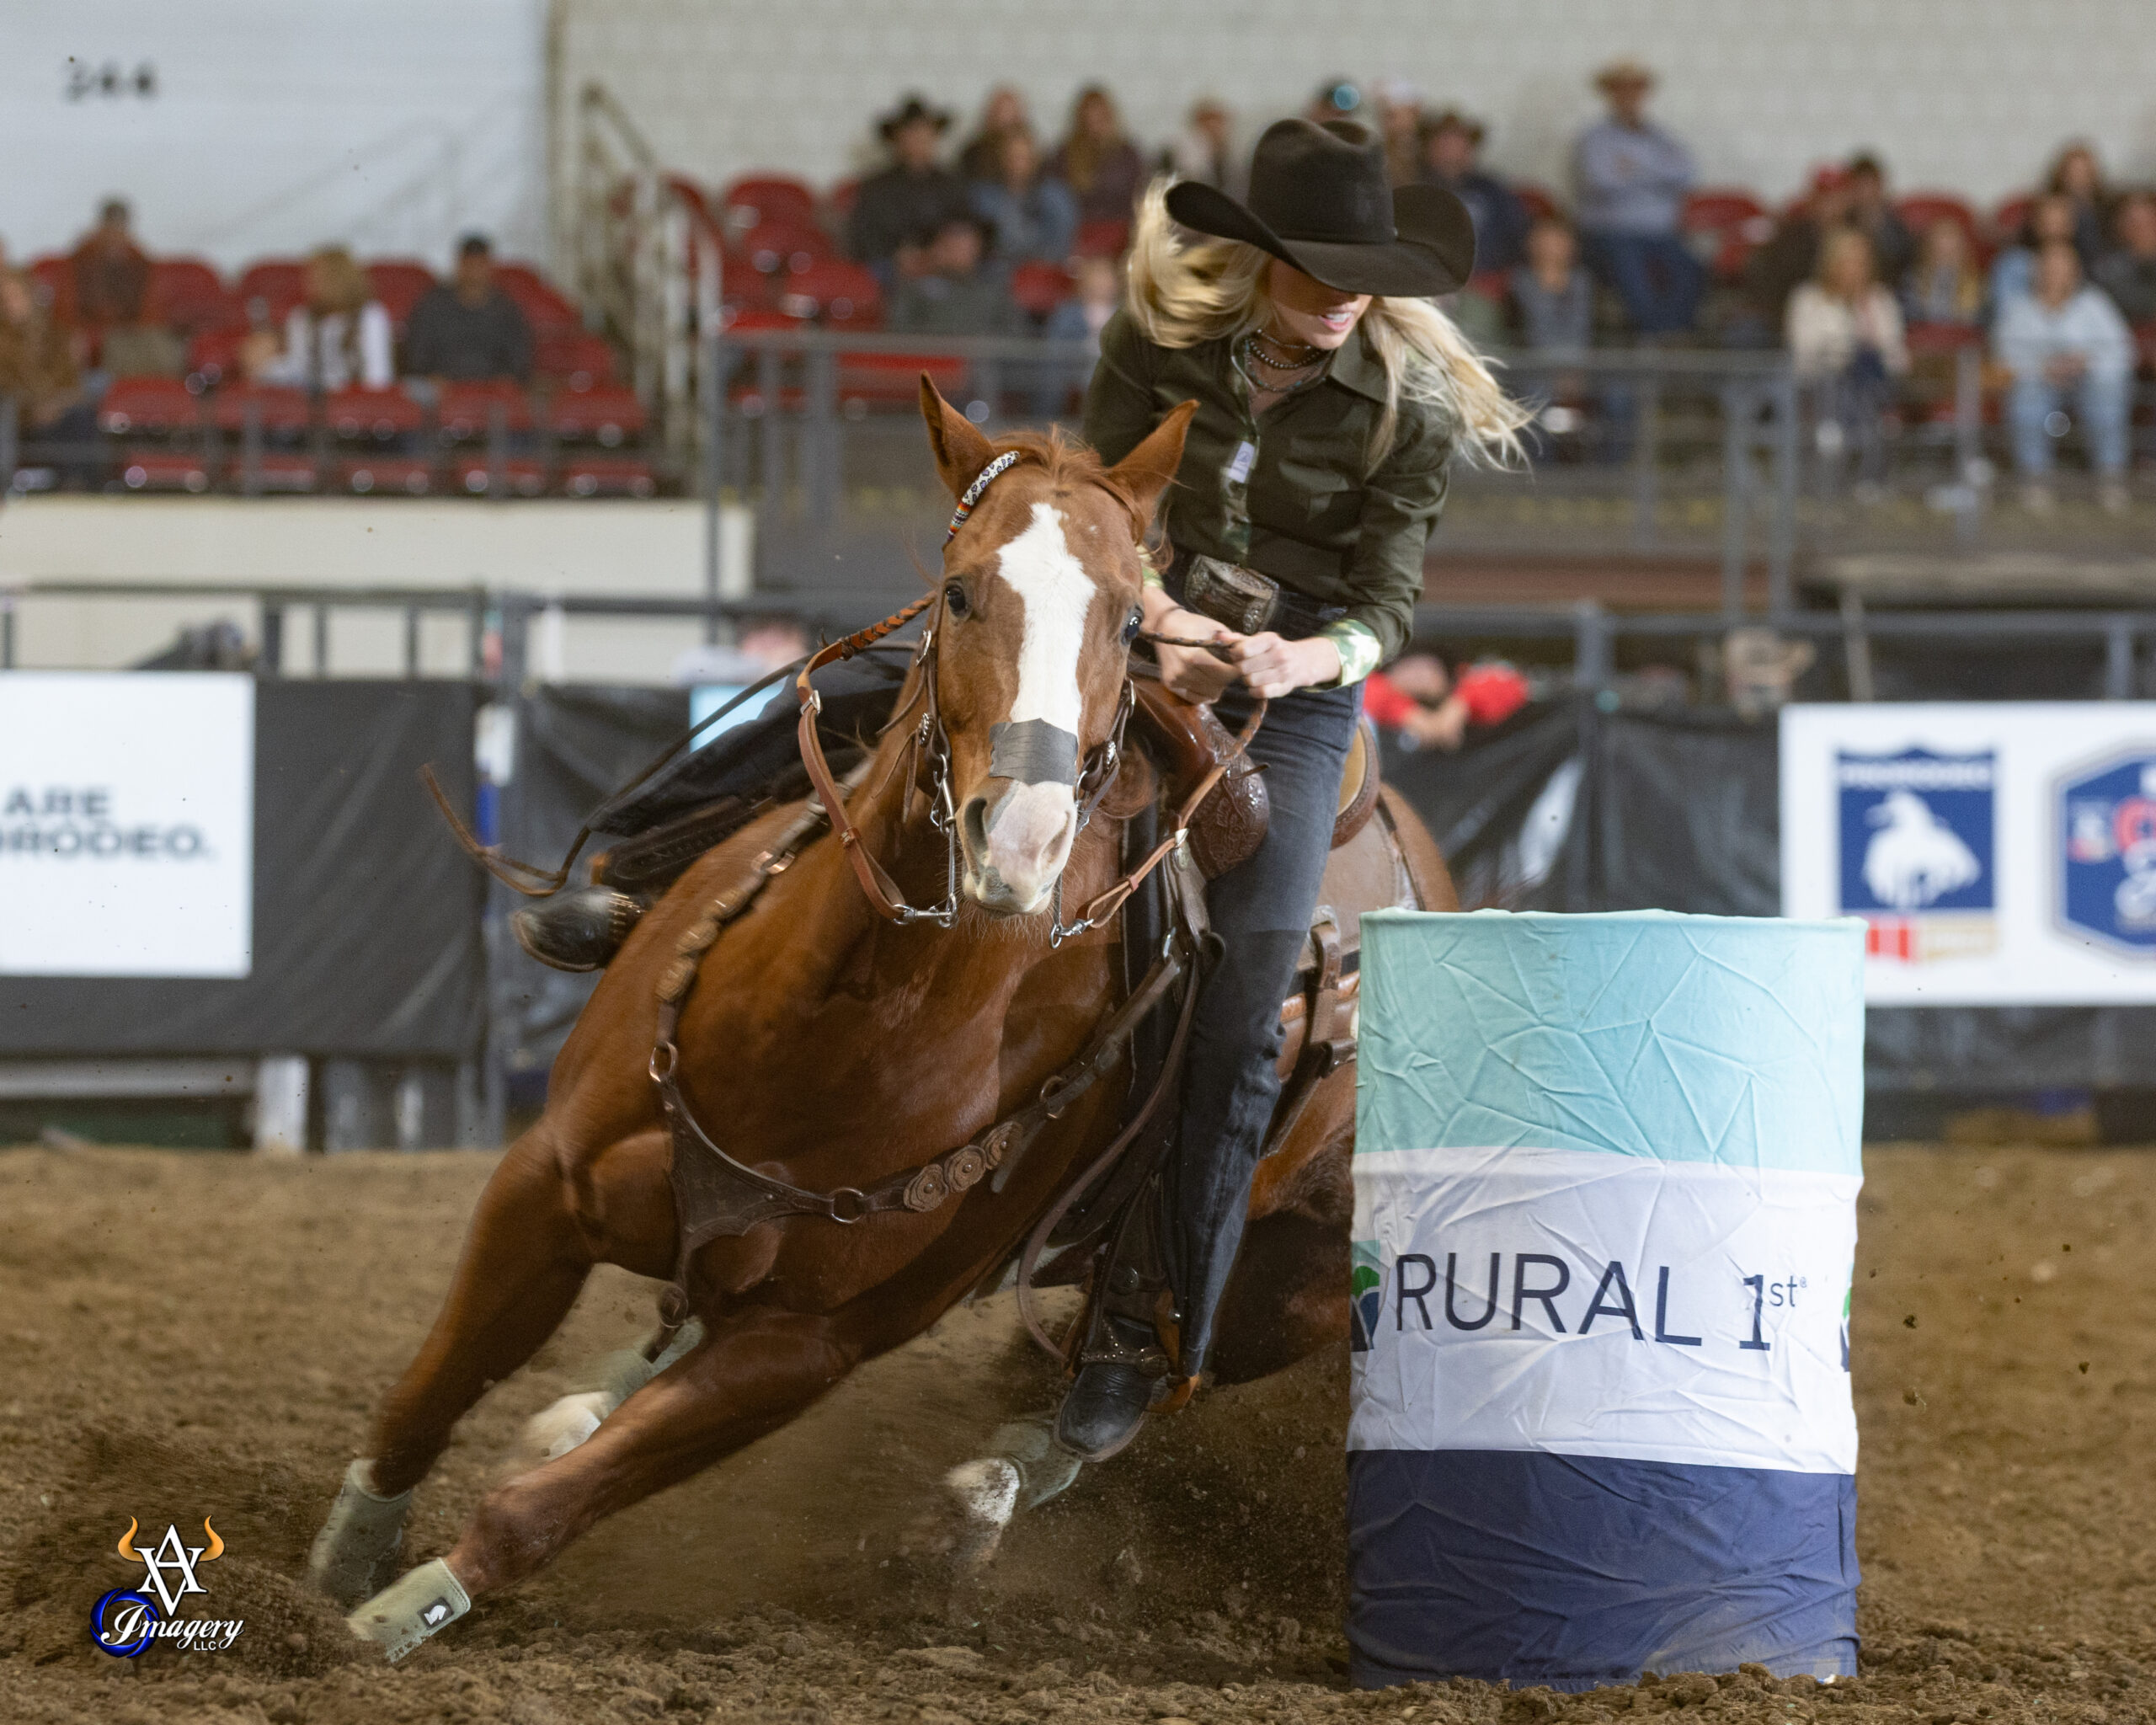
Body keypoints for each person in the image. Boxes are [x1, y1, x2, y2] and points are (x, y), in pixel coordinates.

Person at [1060, 118, 1530, 1458]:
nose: (1340, 301)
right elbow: (1102, 497)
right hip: (1137, 637)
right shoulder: (1156, 346)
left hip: (1297, 699)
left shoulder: (1408, 406)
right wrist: (1154, 611)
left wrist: (1304, 652)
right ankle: (636, 874)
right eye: (1317, 274)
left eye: (1359, 277)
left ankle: (1148, 1334)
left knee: (1246, 1007)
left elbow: (1389, 604)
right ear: (1263, 260)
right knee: (906, 717)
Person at [1993, 238, 2135, 513]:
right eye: (2048, 264)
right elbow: (2005, 359)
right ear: (2036, 270)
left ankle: (2110, 477)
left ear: (2076, 270)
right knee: (2026, 395)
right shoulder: (2019, 309)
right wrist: (2043, 368)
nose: (2054, 271)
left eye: (2062, 265)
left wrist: (2086, 362)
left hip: (2089, 382)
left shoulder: (2095, 304)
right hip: (2040, 382)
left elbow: (2124, 352)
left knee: (2108, 391)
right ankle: (2035, 479)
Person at [1572, 60, 1702, 337]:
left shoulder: (1662, 137)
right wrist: (1658, 175)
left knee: (1693, 269)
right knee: (1631, 272)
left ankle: (1673, 335)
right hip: (1611, 234)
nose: (1630, 96)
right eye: (1622, 89)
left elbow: (1686, 173)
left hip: (1662, 235)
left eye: (1636, 89)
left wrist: (1633, 169)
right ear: (1611, 94)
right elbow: (1601, 180)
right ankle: (1653, 336)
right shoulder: (1595, 139)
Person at [1786, 227, 1908, 491]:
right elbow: (1804, 353)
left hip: (1873, 380)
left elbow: (1897, 357)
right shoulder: (1809, 300)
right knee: (1844, 385)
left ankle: (1865, 473)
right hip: (1822, 382)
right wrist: (1849, 338)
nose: (1856, 269)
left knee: (1865, 380)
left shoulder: (1880, 300)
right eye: (1848, 261)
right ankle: (1850, 467)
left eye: (1862, 262)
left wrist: (1871, 330)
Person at [847, 95, 970, 285]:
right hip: (894, 268)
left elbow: (966, 227)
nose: (919, 139)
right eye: (912, 132)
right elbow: (865, 238)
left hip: (946, 266)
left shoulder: (953, 184)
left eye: (925, 132)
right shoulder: (876, 187)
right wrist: (900, 257)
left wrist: (940, 253)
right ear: (897, 138)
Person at [0, 267, 101, 488]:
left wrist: (54, 404)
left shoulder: (59, 337)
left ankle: (79, 486)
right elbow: (6, 387)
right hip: (19, 418)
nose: (10, 305)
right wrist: (33, 409)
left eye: (16, 297)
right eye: (5, 299)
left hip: (58, 412)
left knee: (82, 416)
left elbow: (72, 382)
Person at [244, 246, 394, 391]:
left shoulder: (370, 316)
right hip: (317, 403)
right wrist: (262, 368)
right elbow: (299, 368)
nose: (308, 283)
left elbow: (377, 377)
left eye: (316, 277)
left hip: (356, 404)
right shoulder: (301, 318)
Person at [403, 235, 532, 382]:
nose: (475, 273)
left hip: (492, 389)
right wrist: (431, 377)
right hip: (439, 387)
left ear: (491, 267)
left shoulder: (506, 310)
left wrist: (503, 381)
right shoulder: (433, 305)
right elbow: (416, 355)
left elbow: (520, 360)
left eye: (480, 265)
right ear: (459, 265)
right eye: (470, 265)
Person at [1742, 168, 1855, 334]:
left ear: (1846, 200)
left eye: (1835, 197)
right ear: (1812, 200)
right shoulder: (1790, 237)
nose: (1829, 205)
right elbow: (1771, 284)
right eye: (1823, 198)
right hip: (1792, 317)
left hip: (1846, 318)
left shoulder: (1858, 237)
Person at [1421, 109, 1529, 274]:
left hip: (1486, 280)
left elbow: (1515, 235)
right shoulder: (1415, 187)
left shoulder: (1491, 190)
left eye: (1459, 142)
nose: (1452, 151)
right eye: (1445, 142)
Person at [887, 214, 1022, 337]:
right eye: (952, 244)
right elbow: (899, 335)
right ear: (938, 247)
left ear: (978, 249)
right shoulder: (916, 290)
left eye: (965, 246)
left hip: (982, 360)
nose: (958, 251)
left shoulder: (994, 293)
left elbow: (1015, 340)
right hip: (931, 360)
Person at [967, 127, 1078, 264]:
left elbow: (1061, 243)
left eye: (1023, 158)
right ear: (1001, 159)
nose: (1017, 164)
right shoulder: (984, 196)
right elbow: (981, 245)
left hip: (1044, 269)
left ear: (1035, 159)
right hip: (995, 271)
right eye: (1011, 157)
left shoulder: (1055, 196)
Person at [1049, 87, 1145, 229]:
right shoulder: (1065, 154)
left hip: (1122, 229)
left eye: (1100, 115)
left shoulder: (1127, 154)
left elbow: (1139, 194)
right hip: (1078, 230)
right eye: (1090, 115)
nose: (1095, 121)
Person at [67, 197, 152, 330]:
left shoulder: (136, 257)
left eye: (119, 228)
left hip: (129, 327)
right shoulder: (84, 254)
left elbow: (147, 303)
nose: (114, 234)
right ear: (101, 226)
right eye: (110, 227)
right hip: (87, 321)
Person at [1510, 216, 1593, 350]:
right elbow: (1537, 327)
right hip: (1531, 362)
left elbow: (1580, 329)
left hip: (1577, 362)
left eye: (1559, 241)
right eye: (1546, 241)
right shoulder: (1519, 281)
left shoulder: (1582, 281)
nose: (1552, 248)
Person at [1364, 653, 1470, 750]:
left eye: (1423, 680)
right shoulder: (1365, 669)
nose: (1418, 673)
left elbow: (1433, 729)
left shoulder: (1392, 701)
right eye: (1424, 666)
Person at [1990, 193, 2079, 307]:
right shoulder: (2012, 264)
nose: (2054, 230)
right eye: (2048, 222)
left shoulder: (2086, 261)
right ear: (2036, 224)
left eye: (2060, 222)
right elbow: (2005, 312)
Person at [1842, 153, 1916, 287]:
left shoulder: (1898, 230)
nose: (1866, 194)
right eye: (1860, 187)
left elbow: (1905, 272)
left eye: (1871, 186)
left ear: (1881, 187)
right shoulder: (1842, 225)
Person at [1903, 216, 1986, 328]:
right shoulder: (1912, 280)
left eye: (1952, 237)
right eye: (1942, 236)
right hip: (1925, 341)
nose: (1947, 245)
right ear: (1929, 247)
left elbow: (1981, 324)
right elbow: (1910, 320)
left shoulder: (1978, 284)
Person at [1163, 98, 1245, 200]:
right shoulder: (1181, 153)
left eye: (1218, 122)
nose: (1215, 128)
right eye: (1209, 121)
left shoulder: (1233, 155)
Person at [2094, 191, 2156, 326]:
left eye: (2149, 223)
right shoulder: (2106, 269)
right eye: (2135, 224)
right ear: (2121, 227)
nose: (2143, 231)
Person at [2046, 143, 2110, 263]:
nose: (2078, 178)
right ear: (2062, 176)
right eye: (2073, 173)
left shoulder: (2107, 211)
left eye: (2084, 172)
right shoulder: (2051, 207)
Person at [958, 86, 1031, 182]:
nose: (1004, 119)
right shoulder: (973, 153)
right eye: (1001, 111)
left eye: (1009, 112)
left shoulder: (1031, 150)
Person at [1370, 77, 1424, 186]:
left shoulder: (1428, 152)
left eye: (1392, 115)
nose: (1387, 123)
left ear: (1414, 113)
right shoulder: (1375, 155)